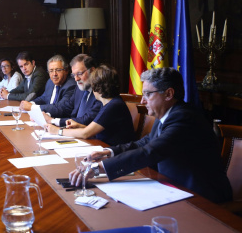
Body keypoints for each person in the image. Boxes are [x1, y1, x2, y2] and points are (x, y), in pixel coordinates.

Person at [69, 67, 232, 204]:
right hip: (173, 189)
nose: (142, 101)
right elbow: (144, 143)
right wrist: (109, 152)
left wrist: (99, 168)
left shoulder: (184, 118)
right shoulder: (169, 114)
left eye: (148, 94)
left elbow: (151, 152)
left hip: (202, 198)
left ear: (168, 94)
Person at [48, 65, 135, 145]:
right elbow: (98, 130)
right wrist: (79, 126)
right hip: (103, 146)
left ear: (97, 87)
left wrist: (57, 131)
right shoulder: (107, 103)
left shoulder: (114, 105)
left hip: (114, 153)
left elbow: (86, 133)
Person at [43, 54, 102, 129]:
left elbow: (86, 119)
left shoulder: (100, 92)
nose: (76, 79)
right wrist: (46, 115)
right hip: (74, 133)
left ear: (92, 70)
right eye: (74, 75)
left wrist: (53, 121)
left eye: (79, 74)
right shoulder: (79, 88)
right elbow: (65, 108)